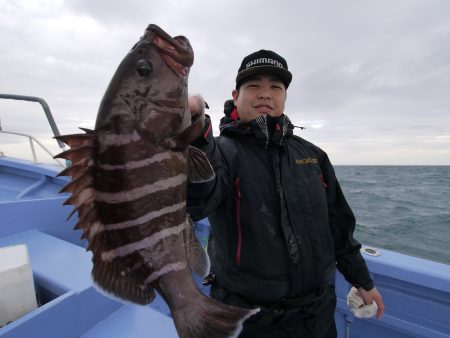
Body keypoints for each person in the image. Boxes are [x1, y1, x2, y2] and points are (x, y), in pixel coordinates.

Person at [187, 49, 384, 338]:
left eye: (275, 87)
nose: (265, 94)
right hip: (244, 319)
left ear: (285, 96)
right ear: (235, 94)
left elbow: (338, 228)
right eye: (253, 85)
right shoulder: (222, 152)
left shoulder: (313, 156)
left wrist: (363, 281)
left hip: (315, 315)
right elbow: (197, 199)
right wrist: (193, 135)